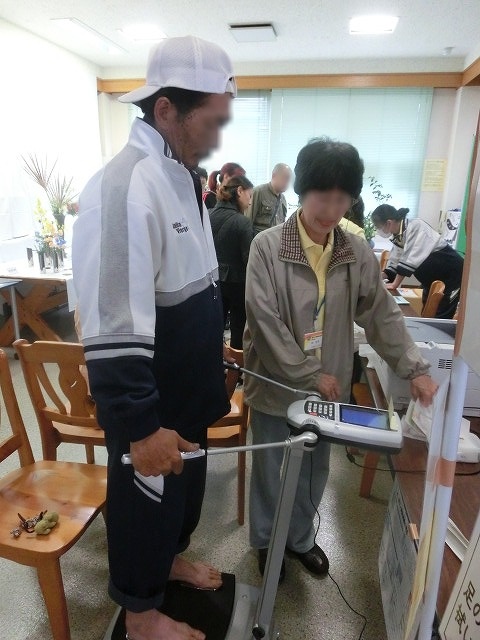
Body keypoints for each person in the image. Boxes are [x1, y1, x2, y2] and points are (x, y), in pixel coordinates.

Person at [73, 35, 236, 640]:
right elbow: (112, 320)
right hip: (149, 404)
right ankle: (140, 615)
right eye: (211, 121)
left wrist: (210, 347)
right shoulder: (124, 185)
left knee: (181, 501)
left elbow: (187, 283)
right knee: (145, 506)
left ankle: (169, 563)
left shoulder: (183, 176)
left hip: (187, 393)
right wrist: (140, 426)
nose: (218, 136)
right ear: (165, 108)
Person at [243, 137, 438, 582]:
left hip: (326, 380)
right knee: (273, 467)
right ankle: (268, 542)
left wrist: (414, 368)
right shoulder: (268, 248)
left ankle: (300, 540)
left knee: (315, 466)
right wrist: (310, 373)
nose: (330, 209)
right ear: (302, 192)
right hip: (278, 381)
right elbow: (266, 323)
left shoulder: (353, 250)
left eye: (341, 199)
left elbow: (381, 313)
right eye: (321, 196)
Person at [372, 204, 464, 318]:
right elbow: (395, 259)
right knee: (428, 311)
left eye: (378, 227)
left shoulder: (415, 226)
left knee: (442, 313)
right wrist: (380, 277)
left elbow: (409, 258)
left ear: (389, 223)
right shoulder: (398, 235)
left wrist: (395, 284)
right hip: (431, 279)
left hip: (451, 274)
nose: (378, 230)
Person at [210, 175, 254, 348]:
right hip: (238, 284)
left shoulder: (207, 215)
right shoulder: (242, 222)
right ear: (240, 191)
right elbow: (248, 260)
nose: (250, 202)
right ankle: (235, 371)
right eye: (249, 196)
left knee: (214, 326)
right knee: (238, 328)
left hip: (212, 281)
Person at [246, 163, 292, 234]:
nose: (286, 183)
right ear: (274, 176)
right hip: (259, 240)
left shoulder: (283, 199)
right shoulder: (258, 192)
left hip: (275, 241)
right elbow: (248, 220)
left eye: (288, 180)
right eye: (284, 178)